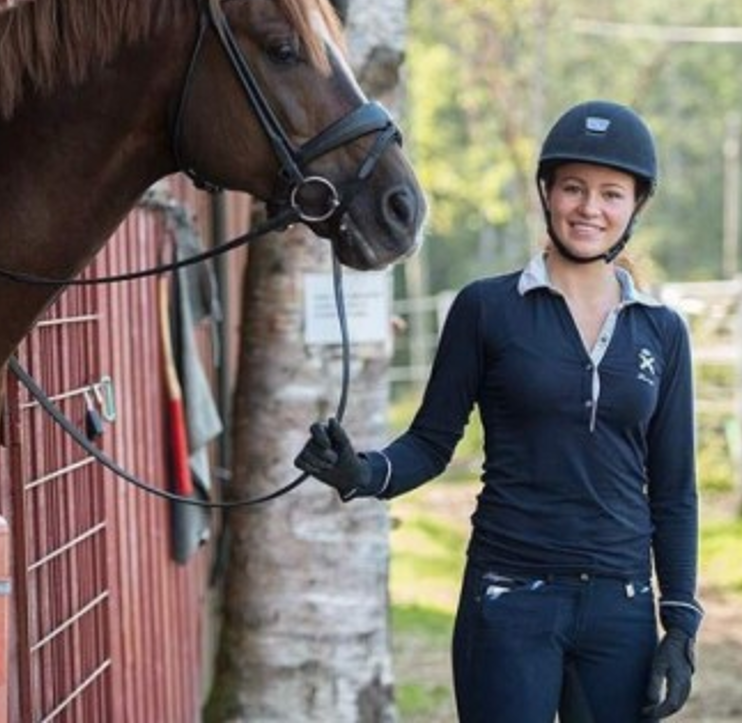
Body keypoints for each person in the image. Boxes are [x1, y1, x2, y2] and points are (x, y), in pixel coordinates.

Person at [295, 100, 703, 722]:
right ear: (546, 192)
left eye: (611, 194)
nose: (590, 208)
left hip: (620, 607)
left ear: (635, 207)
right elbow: (432, 443)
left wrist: (679, 626)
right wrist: (364, 474)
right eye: (573, 188)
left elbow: (675, 490)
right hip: (509, 597)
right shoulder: (487, 309)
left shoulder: (662, 331)